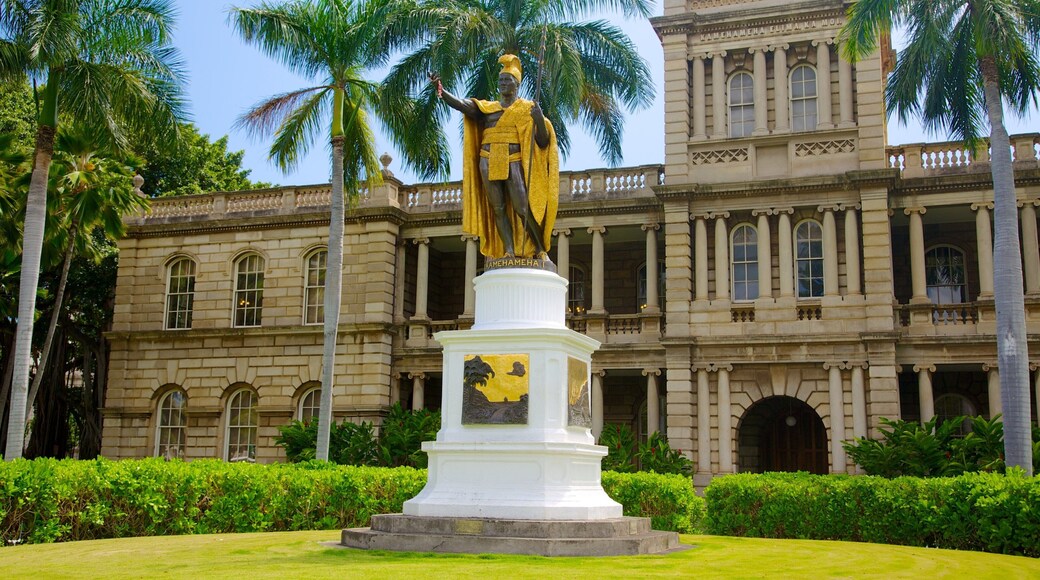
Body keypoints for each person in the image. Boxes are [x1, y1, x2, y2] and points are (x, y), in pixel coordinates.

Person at [431, 54, 559, 261]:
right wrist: (441, 90)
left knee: (522, 208)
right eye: (500, 80)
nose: (502, 83)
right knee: (498, 208)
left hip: (513, 158)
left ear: (516, 84)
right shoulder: (487, 108)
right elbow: (463, 105)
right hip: (487, 159)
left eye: (507, 80)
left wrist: (539, 121)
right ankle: (508, 249)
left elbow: (543, 142)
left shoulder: (526, 109)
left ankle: (539, 248)